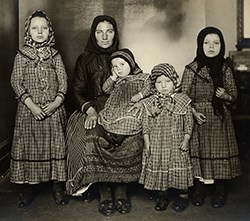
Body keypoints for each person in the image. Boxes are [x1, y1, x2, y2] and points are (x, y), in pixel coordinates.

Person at [66, 16, 144, 216]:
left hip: (123, 109)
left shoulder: (123, 57)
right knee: (92, 135)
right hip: (94, 108)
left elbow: (141, 81)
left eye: (109, 31)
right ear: (93, 34)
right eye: (99, 32)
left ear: (115, 33)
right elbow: (76, 91)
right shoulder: (85, 58)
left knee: (132, 135)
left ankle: (121, 189)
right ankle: (103, 191)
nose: (104, 36)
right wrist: (89, 109)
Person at [10, 10, 69, 207]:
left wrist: (56, 103)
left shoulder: (55, 55)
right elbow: (16, 82)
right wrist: (32, 105)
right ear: (28, 31)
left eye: (44, 28)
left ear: (49, 31)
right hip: (29, 112)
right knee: (31, 147)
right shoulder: (22, 55)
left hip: (53, 111)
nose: (40, 32)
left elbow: (63, 81)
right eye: (35, 28)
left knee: (56, 145)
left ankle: (57, 187)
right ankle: (30, 187)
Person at [181, 27, 242, 208]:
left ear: (221, 45)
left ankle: (219, 190)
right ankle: (199, 190)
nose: (211, 47)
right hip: (199, 120)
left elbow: (234, 96)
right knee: (199, 154)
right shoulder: (191, 69)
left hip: (220, 120)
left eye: (216, 43)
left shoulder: (224, 69)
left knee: (219, 154)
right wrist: (192, 112)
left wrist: (225, 96)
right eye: (206, 43)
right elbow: (183, 96)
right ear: (200, 45)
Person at [139, 63, 194, 212]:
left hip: (176, 141)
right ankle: (162, 195)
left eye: (167, 81)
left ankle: (183, 195)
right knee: (160, 165)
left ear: (174, 81)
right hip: (157, 142)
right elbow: (146, 124)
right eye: (159, 82)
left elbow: (189, 122)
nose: (163, 86)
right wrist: (147, 141)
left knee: (179, 165)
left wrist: (186, 139)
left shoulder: (183, 100)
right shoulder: (150, 103)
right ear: (153, 84)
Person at [97, 48, 150, 145]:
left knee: (128, 122)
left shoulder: (141, 78)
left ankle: (116, 140)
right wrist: (113, 77)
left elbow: (149, 87)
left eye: (122, 64)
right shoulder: (117, 81)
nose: (119, 69)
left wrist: (140, 95)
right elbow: (106, 89)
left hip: (130, 107)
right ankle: (110, 139)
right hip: (116, 107)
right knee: (107, 120)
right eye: (115, 66)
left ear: (130, 64)